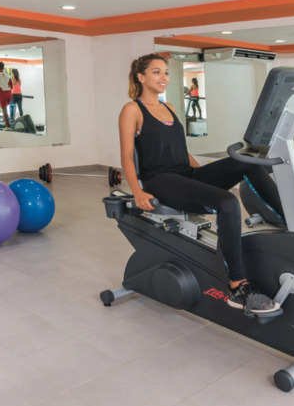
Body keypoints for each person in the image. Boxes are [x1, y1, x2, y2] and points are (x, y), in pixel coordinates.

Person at [118, 54, 282, 316]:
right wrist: (137, 192)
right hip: (160, 181)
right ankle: (238, 287)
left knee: (247, 163)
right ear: (141, 77)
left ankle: (290, 223)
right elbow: (127, 155)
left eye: (166, 72)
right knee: (227, 202)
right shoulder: (132, 110)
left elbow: (181, 150)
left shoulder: (170, 107)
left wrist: (205, 174)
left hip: (186, 174)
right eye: (156, 72)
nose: (164, 77)